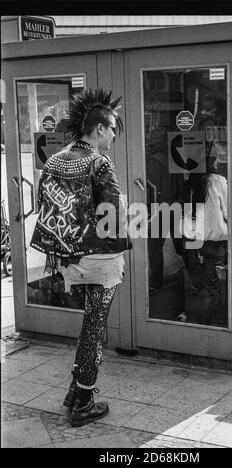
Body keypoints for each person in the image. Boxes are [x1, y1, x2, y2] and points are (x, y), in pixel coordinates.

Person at [30, 88, 132, 427]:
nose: (114, 137)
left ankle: (75, 389)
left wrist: (61, 256)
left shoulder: (55, 160)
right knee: (94, 325)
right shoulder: (99, 163)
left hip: (70, 259)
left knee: (90, 322)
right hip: (100, 261)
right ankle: (85, 399)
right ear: (99, 129)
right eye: (113, 129)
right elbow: (114, 216)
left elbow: (46, 212)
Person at [181, 153, 228, 324]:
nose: (218, 161)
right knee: (212, 287)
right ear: (210, 162)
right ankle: (209, 323)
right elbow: (229, 212)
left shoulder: (190, 182)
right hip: (213, 242)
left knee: (195, 286)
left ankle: (192, 316)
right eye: (215, 158)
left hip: (192, 241)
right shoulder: (218, 181)